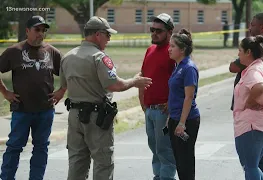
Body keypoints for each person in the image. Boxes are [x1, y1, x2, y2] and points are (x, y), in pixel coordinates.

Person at [60, 16, 152, 180]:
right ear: (97, 35)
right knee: (103, 162)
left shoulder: (68, 57)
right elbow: (114, 85)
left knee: (77, 161)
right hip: (96, 118)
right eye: (107, 35)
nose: (109, 39)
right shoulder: (99, 57)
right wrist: (134, 81)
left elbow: (63, 86)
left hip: (74, 116)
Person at [0, 15, 64, 180]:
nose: (40, 34)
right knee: (14, 147)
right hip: (22, 110)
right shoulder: (15, 51)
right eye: (37, 30)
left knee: (41, 148)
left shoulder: (52, 52)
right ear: (27, 31)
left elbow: (68, 73)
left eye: (43, 30)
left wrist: (61, 91)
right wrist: (5, 92)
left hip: (45, 110)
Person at [229, 13, 263, 180]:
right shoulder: (260, 66)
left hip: (253, 127)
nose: (239, 55)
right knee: (254, 166)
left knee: (250, 167)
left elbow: (260, 86)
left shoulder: (254, 70)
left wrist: (251, 101)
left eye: (240, 52)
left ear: (249, 52)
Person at [138, 13, 177, 180]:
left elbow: (180, 81)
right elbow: (143, 75)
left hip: (164, 110)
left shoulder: (173, 52)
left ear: (170, 32)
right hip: (149, 109)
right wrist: (143, 102)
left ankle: (166, 177)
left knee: (165, 150)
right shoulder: (150, 50)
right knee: (154, 148)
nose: (154, 33)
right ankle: (158, 176)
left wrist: (171, 103)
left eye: (158, 31)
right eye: (152, 30)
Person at [167, 28, 200, 180]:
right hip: (175, 118)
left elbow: (188, 97)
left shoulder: (189, 68)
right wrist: (171, 118)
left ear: (182, 49)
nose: (169, 49)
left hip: (187, 120)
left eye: (173, 46)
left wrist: (181, 123)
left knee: (185, 161)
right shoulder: (178, 67)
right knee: (179, 161)